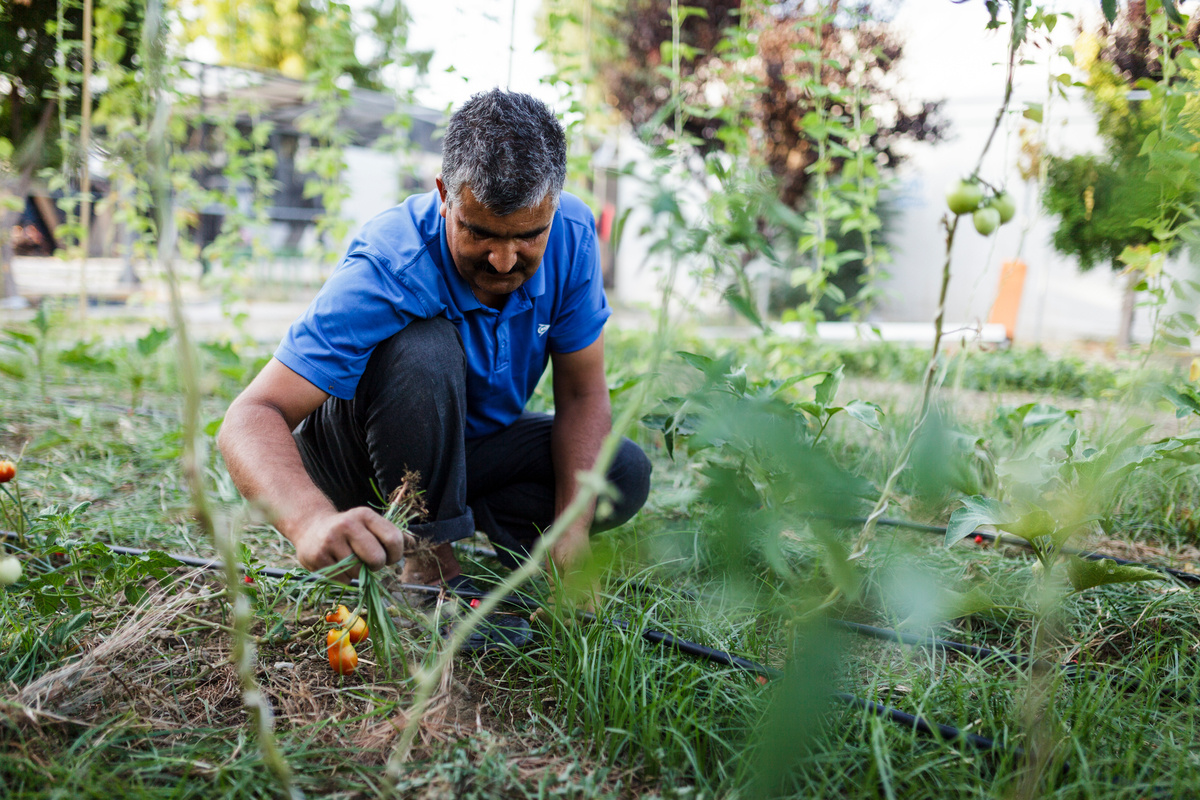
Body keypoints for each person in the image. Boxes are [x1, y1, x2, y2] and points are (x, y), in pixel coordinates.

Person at [217, 89, 651, 600]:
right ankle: (428, 567)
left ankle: (489, 532)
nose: (505, 261)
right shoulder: (389, 262)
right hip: (358, 465)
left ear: (553, 205)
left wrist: (572, 524)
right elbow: (250, 415)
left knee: (621, 471)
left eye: (528, 236)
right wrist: (310, 521)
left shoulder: (572, 236)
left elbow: (581, 394)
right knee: (423, 347)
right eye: (481, 233)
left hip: (467, 453)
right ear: (445, 194)